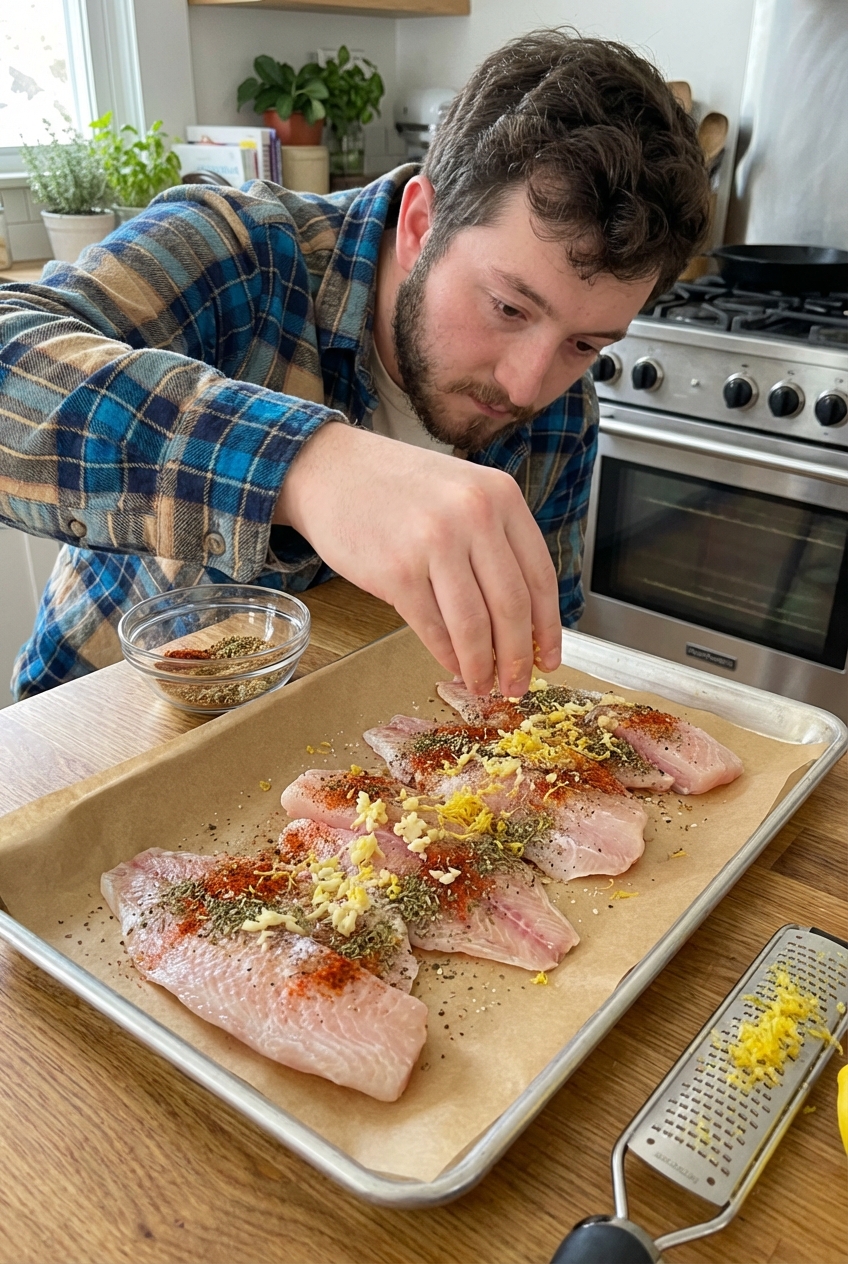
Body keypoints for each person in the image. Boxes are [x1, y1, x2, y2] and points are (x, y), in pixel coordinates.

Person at [0, 30, 709, 702]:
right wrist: (307, 466)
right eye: (507, 308)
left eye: (585, 345)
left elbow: (532, 646)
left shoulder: (563, 407)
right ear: (420, 224)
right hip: (93, 738)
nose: (529, 385)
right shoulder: (244, 255)